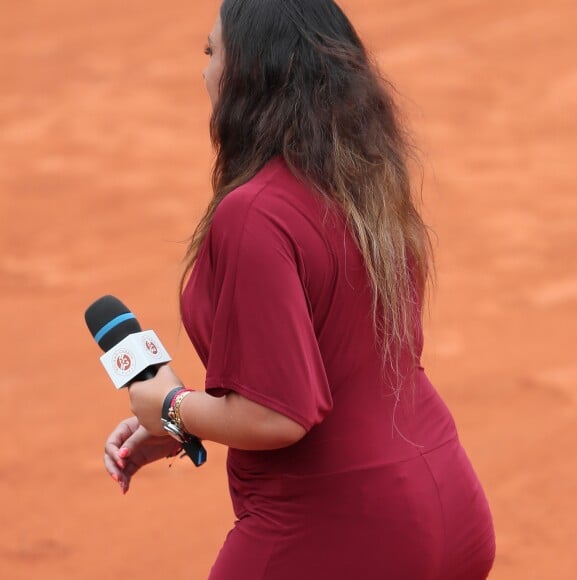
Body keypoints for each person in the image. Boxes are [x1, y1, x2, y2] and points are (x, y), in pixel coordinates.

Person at [103, 1, 496, 578]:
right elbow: (332, 370)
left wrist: (166, 405)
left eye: (213, 53)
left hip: (334, 529)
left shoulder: (253, 210)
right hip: (450, 506)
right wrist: (183, 424)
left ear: (248, 77)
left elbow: (278, 416)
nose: (204, 71)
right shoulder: (364, 187)